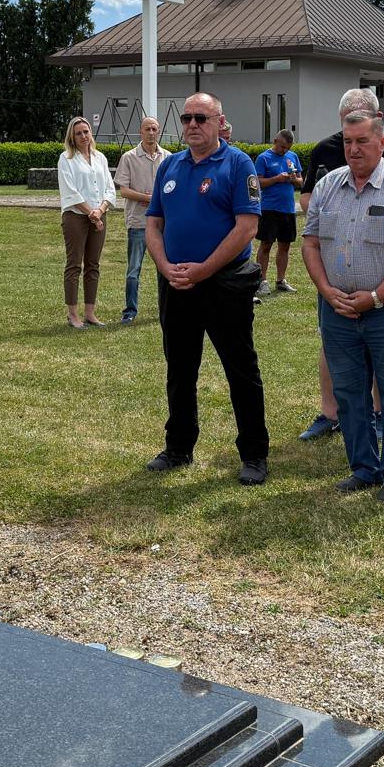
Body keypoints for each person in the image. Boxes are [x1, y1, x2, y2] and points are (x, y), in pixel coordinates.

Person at [303, 112, 384, 502]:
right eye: (348, 141)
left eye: (362, 141)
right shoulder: (328, 185)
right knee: (348, 393)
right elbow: (310, 243)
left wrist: (377, 297)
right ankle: (363, 468)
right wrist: (327, 291)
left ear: (382, 143)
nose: (354, 149)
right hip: (339, 308)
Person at [144, 92, 269, 485]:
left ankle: (254, 454)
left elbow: (247, 227)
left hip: (224, 284)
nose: (193, 125)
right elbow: (153, 224)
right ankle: (178, 447)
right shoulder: (170, 166)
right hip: (177, 284)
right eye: (187, 118)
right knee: (180, 369)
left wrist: (203, 270)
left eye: (201, 117)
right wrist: (165, 267)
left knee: (240, 370)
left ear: (220, 122)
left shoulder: (238, 164)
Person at [57, 116, 115, 328]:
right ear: (72, 137)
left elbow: (109, 188)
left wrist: (101, 210)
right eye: (78, 133)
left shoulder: (100, 158)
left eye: (86, 132)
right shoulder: (66, 159)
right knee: (74, 264)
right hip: (76, 217)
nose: (83, 136)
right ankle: (73, 314)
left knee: (93, 264)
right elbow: (70, 191)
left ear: (91, 133)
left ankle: (90, 313)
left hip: (99, 215)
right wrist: (91, 213)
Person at [114, 116, 167, 324]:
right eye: (147, 129)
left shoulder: (168, 157)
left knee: (164, 268)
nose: (151, 133)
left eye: (154, 129)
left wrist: (156, 200)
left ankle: (165, 308)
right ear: (140, 132)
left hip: (162, 224)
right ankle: (130, 311)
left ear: (159, 131)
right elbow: (124, 191)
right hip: (138, 222)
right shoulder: (129, 158)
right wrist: (147, 198)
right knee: (133, 270)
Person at [253, 130, 304, 296]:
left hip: (288, 208)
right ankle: (262, 281)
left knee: (285, 245)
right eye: (282, 147)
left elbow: (301, 180)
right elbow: (258, 183)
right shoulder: (263, 158)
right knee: (266, 245)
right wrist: (276, 179)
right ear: (275, 141)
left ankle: (281, 280)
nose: (284, 150)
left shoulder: (292, 156)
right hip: (269, 208)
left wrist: (294, 179)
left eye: (288, 148)